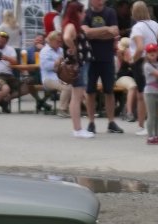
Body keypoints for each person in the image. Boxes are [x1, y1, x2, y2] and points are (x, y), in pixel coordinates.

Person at [83, 0, 121, 132]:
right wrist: (106, 30)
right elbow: (86, 33)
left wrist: (95, 34)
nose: (100, 1)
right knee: (90, 91)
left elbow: (114, 32)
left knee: (109, 91)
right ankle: (91, 122)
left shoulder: (110, 13)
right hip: (91, 59)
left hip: (107, 57)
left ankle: (111, 122)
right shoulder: (87, 14)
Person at [128, 1, 158, 133]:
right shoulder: (154, 24)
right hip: (153, 60)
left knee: (142, 94)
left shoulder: (137, 27)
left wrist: (133, 59)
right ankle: (150, 123)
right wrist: (156, 52)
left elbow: (140, 47)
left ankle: (142, 125)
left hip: (141, 61)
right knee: (152, 92)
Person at [62, 1, 94, 135]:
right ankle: (78, 129)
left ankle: (77, 128)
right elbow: (66, 37)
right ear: (77, 13)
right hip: (78, 64)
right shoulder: (71, 26)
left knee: (77, 95)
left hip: (80, 63)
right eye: (82, 11)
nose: (84, 14)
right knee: (77, 95)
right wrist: (73, 48)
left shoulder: (73, 25)